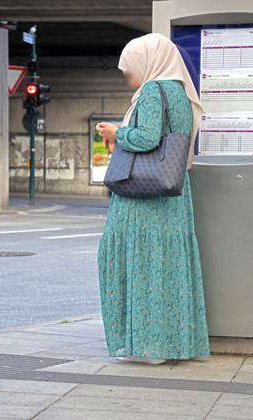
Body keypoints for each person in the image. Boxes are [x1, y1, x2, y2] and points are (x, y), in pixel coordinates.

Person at [96, 33, 211, 364]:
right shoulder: (179, 92)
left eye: (130, 69)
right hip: (171, 193)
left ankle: (145, 343)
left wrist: (116, 132)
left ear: (148, 63)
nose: (129, 77)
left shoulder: (151, 90)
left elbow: (146, 138)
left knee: (133, 261)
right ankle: (168, 343)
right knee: (164, 266)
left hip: (142, 200)